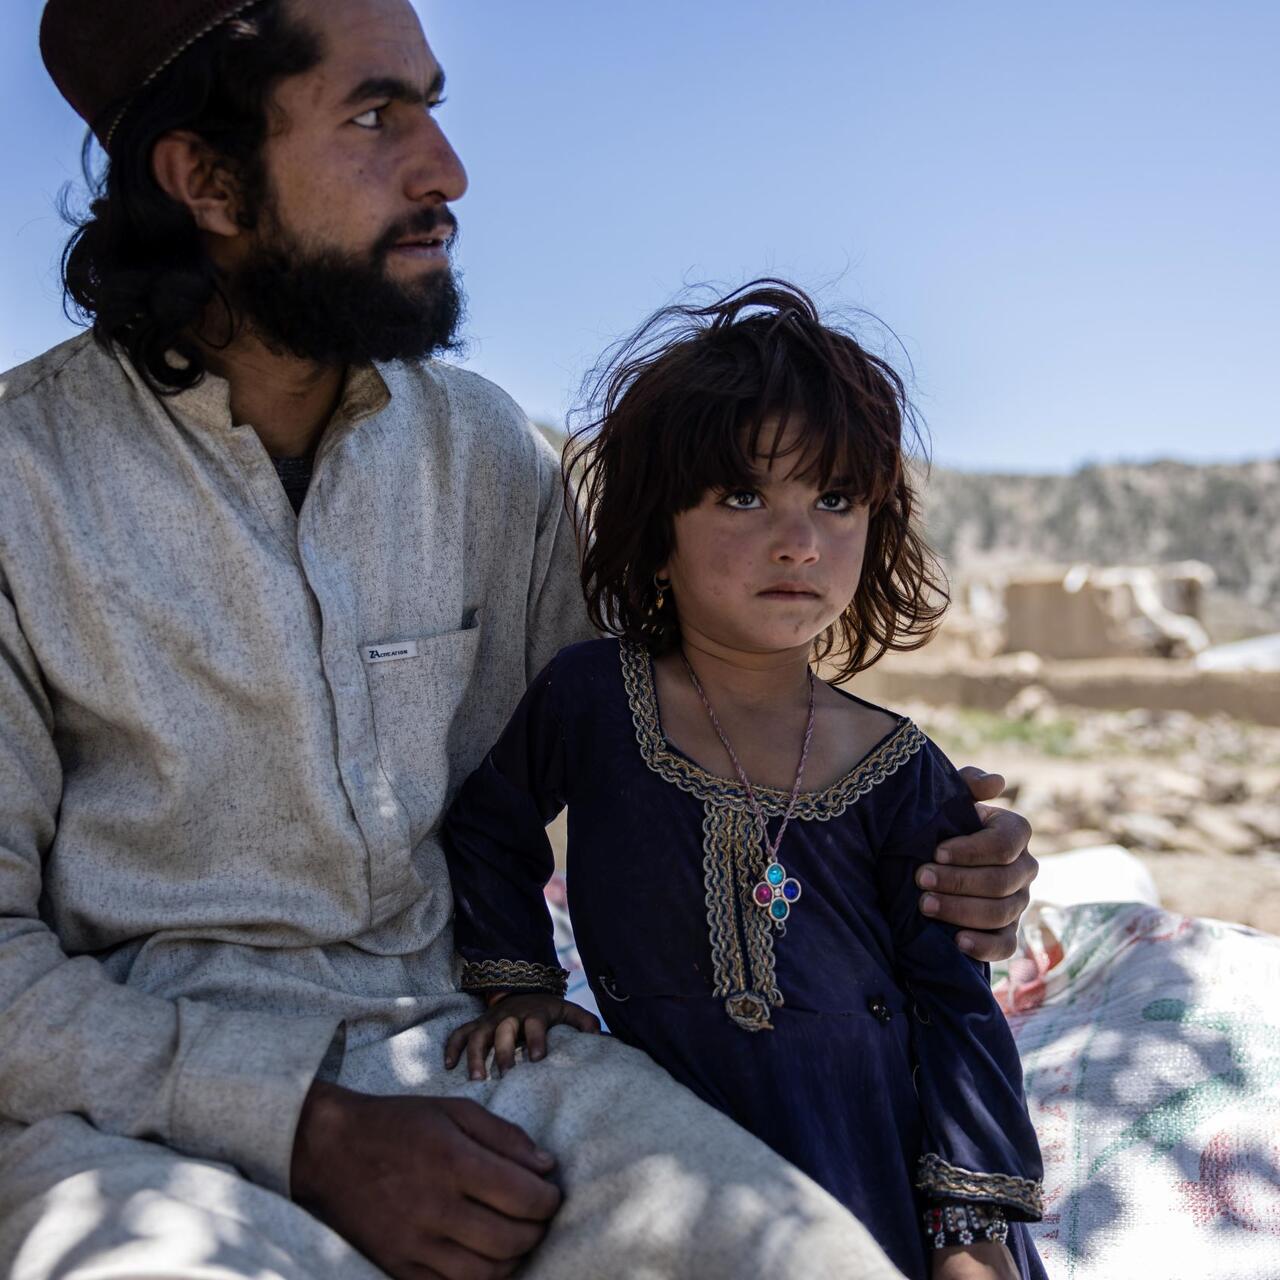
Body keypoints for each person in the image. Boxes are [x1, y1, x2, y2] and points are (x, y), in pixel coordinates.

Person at [0, 1, 1039, 1276]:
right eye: (376, 115)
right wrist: (307, 1128)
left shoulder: (482, 452)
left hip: (488, 1055)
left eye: (433, 107)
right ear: (206, 180)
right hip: (137, 1113)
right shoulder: (20, 484)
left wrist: (927, 856)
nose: (447, 170)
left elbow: (659, 732)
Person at [442, 283, 1047, 1280]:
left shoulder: (903, 771)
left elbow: (954, 1010)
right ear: (654, 522)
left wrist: (970, 1235)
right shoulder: (593, 698)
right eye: (740, 495)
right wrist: (519, 981)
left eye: (835, 498)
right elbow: (488, 823)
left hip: (877, 1164)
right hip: (675, 1147)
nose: (797, 539)